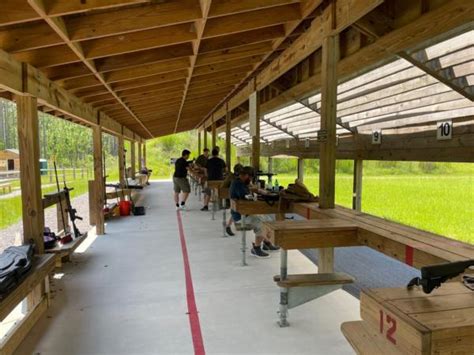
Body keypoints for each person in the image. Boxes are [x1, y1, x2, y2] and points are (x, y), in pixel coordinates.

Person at [230, 166, 280, 258]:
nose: (251, 180)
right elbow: (246, 198)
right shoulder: (238, 184)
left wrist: (254, 191)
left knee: (268, 219)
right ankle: (256, 249)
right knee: (261, 223)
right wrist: (255, 195)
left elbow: (248, 195)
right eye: (251, 178)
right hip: (241, 216)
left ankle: (266, 242)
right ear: (246, 176)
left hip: (245, 212)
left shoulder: (240, 182)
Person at [221, 164, 243, 236]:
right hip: (231, 196)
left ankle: (228, 225)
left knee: (236, 211)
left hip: (235, 196)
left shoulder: (235, 176)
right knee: (236, 211)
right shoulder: (232, 177)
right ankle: (228, 225)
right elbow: (224, 186)